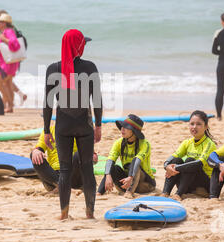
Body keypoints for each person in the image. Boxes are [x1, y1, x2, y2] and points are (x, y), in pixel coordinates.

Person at [43, 29, 102, 220]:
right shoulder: (90, 67)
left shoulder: (53, 69)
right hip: (84, 124)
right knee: (87, 169)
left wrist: (46, 130)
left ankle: (63, 213)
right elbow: (97, 100)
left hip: (62, 126)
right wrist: (98, 125)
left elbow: (48, 103)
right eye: (83, 43)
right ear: (78, 45)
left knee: (65, 170)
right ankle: (89, 213)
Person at [97, 114, 156, 199]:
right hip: (126, 181)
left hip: (145, 183)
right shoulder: (119, 143)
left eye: (126, 127)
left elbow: (137, 160)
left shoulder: (144, 144)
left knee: (135, 164)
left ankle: (129, 192)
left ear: (134, 131)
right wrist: (108, 175)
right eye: (122, 126)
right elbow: (110, 159)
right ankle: (99, 192)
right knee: (113, 167)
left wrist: (130, 177)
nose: (122, 129)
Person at [162, 110, 215, 200]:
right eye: (192, 124)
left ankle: (178, 194)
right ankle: (165, 193)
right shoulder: (187, 142)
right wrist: (166, 166)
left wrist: (176, 168)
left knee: (190, 160)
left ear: (206, 126)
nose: (194, 127)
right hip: (188, 183)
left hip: (205, 184)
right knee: (176, 160)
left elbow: (199, 164)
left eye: (198, 124)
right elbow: (173, 157)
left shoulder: (209, 144)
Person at [30, 125, 98, 193]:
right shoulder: (49, 130)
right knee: (34, 155)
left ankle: (62, 187)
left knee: (79, 154)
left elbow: (93, 157)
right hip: (53, 175)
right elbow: (39, 148)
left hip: (73, 174)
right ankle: (60, 185)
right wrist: (36, 151)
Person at [0, 10, 27, 108]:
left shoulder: (9, 32)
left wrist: (4, 39)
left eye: (0, 22)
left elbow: (15, 45)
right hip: (6, 62)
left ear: (5, 23)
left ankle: (8, 103)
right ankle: (10, 106)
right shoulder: (4, 31)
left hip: (8, 64)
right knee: (7, 84)